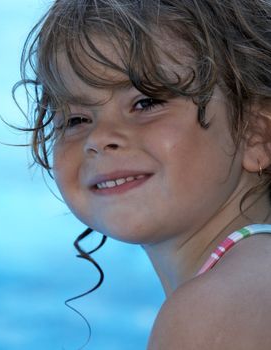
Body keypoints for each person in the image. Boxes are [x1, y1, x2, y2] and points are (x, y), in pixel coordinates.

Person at [14, 0, 271, 348]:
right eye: (76, 119)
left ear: (256, 134)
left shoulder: (213, 312)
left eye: (146, 102)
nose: (100, 139)